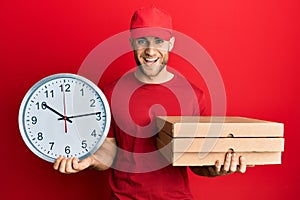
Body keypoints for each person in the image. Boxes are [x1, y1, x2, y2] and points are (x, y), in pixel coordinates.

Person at [54, 5, 247, 199]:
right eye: (142, 41)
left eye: (158, 41)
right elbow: (109, 153)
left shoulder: (193, 96)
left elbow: (196, 161)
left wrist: (217, 169)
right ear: (131, 43)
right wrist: (90, 161)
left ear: (171, 44)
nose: (150, 51)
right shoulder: (111, 93)